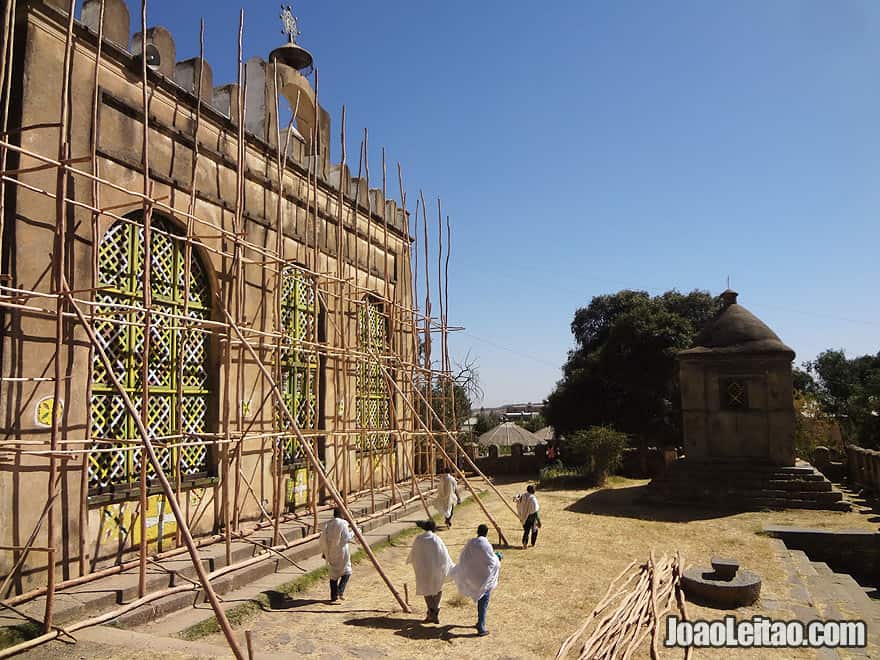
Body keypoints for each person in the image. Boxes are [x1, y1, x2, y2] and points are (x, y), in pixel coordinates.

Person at [451, 524, 500, 637]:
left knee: (481, 601)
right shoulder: (486, 544)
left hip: (473, 576)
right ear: (486, 533)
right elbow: (492, 561)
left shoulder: (471, 543)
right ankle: (481, 627)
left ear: (477, 532)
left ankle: (479, 623)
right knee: (483, 602)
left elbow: (464, 557)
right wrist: (498, 558)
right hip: (483, 578)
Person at [406, 519, 455, 624]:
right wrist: (450, 567)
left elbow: (413, 554)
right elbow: (444, 555)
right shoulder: (437, 539)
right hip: (436, 570)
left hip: (423, 570)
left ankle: (431, 612)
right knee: (437, 589)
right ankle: (434, 611)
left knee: (426, 590)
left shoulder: (419, 539)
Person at [318, 508, 355, 603]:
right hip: (342, 552)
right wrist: (354, 532)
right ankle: (340, 591)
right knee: (347, 571)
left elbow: (323, 539)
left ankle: (333, 596)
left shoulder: (328, 524)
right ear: (341, 514)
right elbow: (346, 538)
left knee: (333, 574)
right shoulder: (343, 523)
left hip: (331, 552)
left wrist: (324, 552)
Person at [515, 484, 541, 549]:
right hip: (532, 517)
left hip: (524, 517)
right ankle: (532, 543)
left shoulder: (523, 496)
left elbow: (517, 501)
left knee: (526, 531)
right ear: (533, 491)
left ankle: (525, 543)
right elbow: (535, 511)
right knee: (534, 530)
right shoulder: (533, 499)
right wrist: (539, 521)